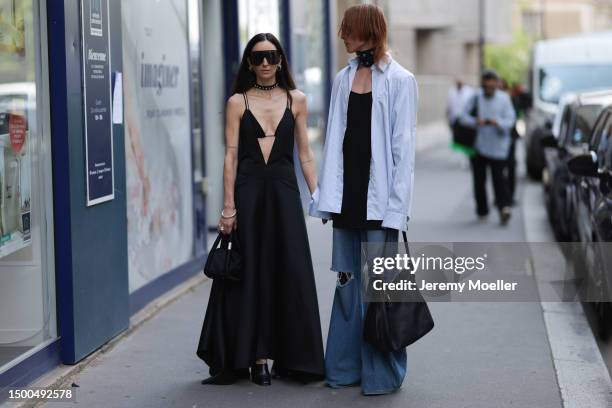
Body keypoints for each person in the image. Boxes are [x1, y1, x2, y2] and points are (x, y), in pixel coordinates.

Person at [196, 33, 325, 386]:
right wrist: (227, 207)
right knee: (251, 272)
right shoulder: (237, 102)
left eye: (271, 56)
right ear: (249, 64)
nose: (265, 63)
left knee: (290, 270)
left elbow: (306, 154)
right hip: (248, 195)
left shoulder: (297, 100)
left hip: (284, 195)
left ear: (281, 60)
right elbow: (231, 156)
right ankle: (257, 359)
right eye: (258, 58)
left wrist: (320, 197)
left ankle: (294, 357)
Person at [309, 4, 418, 395]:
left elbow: (404, 152)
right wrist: (327, 197)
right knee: (346, 286)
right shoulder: (344, 77)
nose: (343, 36)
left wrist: (397, 211)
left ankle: (381, 374)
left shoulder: (400, 81)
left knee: (380, 291)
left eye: (349, 30)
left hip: (380, 204)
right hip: (347, 202)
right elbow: (333, 142)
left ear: (369, 32)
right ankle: (342, 369)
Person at [460, 70, 516, 225]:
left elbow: (511, 120)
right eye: (487, 86)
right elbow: (462, 117)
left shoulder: (504, 99)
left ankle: (504, 207)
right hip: (479, 146)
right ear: (483, 84)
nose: (489, 88)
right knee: (479, 180)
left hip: (499, 147)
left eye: (492, 85)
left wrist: (498, 123)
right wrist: (475, 121)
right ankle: (482, 210)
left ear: (497, 84)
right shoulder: (476, 97)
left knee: (499, 180)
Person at [447, 77, 476, 158]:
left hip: (465, 120)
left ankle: (466, 156)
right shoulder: (451, 91)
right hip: (455, 119)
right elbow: (449, 106)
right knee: (457, 139)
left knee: (466, 139)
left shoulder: (469, 92)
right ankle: (461, 155)